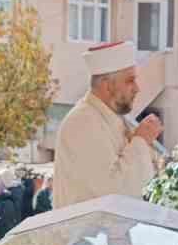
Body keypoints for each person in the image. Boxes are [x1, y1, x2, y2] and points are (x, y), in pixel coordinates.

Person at [54, 41, 164, 208]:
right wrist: (141, 140)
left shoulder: (112, 117)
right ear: (107, 85)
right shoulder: (83, 122)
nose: (137, 88)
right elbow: (113, 190)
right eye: (130, 81)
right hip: (84, 232)